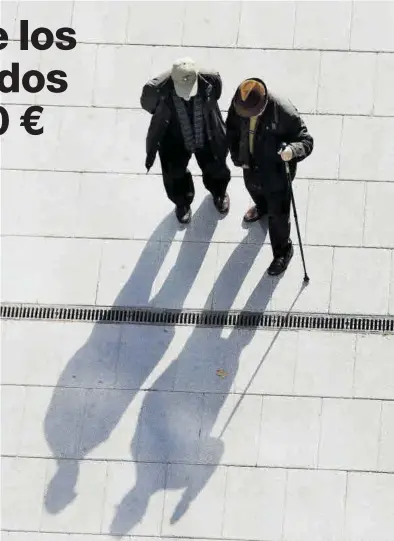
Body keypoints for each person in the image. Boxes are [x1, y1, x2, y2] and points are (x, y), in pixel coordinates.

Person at [226, 78, 314, 276]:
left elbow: (306, 141)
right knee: (254, 190)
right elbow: (231, 128)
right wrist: (236, 156)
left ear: (263, 103)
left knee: (279, 217)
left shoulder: (283, 110)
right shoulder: (241, 100)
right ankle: (261, 207)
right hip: (250, 165)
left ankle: (283, 251)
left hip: (277, 174)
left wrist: (292, 150)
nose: (246, 116)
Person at [140, 58, 231, 224]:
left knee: (216, 166)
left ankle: (219, 192)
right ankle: (182, 202)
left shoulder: (211, 78)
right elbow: (149, 106)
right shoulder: (154, 89)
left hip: (206, 130)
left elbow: (215, 94)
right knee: (173, 173)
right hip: (175, 136)